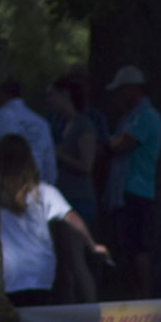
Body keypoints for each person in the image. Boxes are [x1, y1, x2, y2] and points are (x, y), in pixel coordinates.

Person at [0, 134, 107, 307]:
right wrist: (92, 245)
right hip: (41, 274)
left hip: (9, 275)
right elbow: (71, 218)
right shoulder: (44, 192)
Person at [105, 65, 161, 297]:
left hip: (136, 190)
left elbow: (122, 143)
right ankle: (134, 294)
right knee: (127, 246)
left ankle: (145, 296)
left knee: (137, 245)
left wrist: (106, 143)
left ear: (131, 89)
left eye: (120, 91)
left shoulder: (146, 116)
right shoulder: (131, 116)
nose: (117, 97)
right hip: (124, 190)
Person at [45, 74, 101, 230]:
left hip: (78, 198)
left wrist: (59, 154)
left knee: (73, 251)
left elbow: (86, 165)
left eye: (51, 95)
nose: (48, 100)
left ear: (65, 95)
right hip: (62, 197)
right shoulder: (60, 124)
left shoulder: (83, 125)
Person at [0, 79, 58, 205]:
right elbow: (50, 164)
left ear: (0, 93)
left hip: (6, 194)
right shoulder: (41, 123)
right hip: (38, 193)